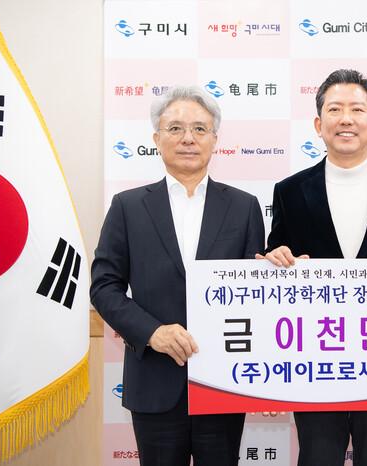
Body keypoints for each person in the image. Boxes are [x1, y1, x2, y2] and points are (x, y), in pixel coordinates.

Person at [259, 69, 367, 466]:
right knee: (317, 457)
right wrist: (277, 258)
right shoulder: (289, 191)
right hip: (313, 356)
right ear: (318, 124)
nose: (346, 119)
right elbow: (275, 257)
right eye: (334, 109)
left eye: (357, 109)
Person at [91, 85, 264, 466]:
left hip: (223, 383)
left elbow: (255, 297)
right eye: (175, 128)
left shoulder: (244, 207)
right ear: (157, 138)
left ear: (215, 139)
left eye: (200, 129)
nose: (188, 138)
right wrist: (152, 332)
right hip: (154, 383)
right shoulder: (127, 207)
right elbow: (104, 286)